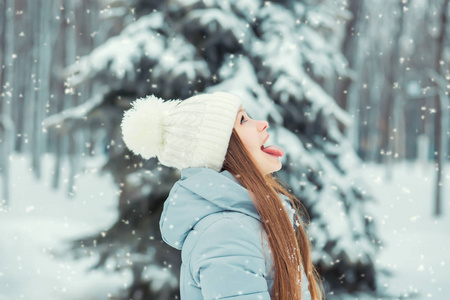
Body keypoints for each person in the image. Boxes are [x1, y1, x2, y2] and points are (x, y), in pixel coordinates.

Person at [121, 91, 325, 299]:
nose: (262, 123)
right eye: (243, 120)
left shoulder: (255, 221)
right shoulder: (227, 234)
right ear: (222, 149)